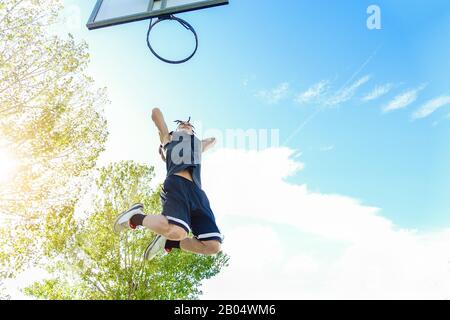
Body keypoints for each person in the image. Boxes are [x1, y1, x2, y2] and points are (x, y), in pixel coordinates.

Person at [113, 108, 223, 261]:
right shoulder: (169, 139)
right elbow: (155, 113)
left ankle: (170, 241)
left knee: (213, 246)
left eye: (189, 125)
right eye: (181, 124)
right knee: (179, 231)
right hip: (177, 184)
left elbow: (213, 140)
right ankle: (136, 217)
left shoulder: (197, 146)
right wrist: (169, 136)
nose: (185, 124)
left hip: (198, 194)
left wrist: (193, 135)